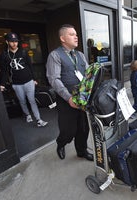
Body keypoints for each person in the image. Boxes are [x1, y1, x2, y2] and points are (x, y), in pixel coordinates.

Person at [46, 24, 93, 161]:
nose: (76, 36)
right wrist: (68, 98)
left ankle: (82, 151)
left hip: (82, 99)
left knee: (83, 129)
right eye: (72, 34)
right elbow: (54, 79)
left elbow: (88, 76)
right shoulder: (55, 55)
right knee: (68, 131)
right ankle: (61, 143)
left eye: (76, 34)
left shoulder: (80, 55)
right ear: (62, 38)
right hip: (66, 101)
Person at [0, 32, 48, 127]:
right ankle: (28, 115)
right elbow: (4, 71)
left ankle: (39, 119)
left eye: (16, 41)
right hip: (16, 84)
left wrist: (34, 79)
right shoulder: (4, 55)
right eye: (12, 41)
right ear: (7, 42)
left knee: (32, 100)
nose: (14, 43)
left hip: (29, 81)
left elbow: (30, 66)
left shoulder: (23, 52)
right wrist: (2, 84)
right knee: (22, 101)